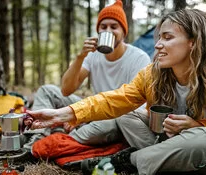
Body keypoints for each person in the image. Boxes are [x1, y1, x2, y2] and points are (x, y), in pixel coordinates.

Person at [25, 9, 206, 175]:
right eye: (159, 38)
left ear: (193, 42)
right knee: (126, 114)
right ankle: (155, 162)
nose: (157, 45)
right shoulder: (154, 75)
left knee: (203, 138)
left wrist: (200, 125)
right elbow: (115, 99)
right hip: (171, 149)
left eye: (167, 38)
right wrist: (62, 114)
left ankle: (124, 163)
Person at [22, 0, 151, 150]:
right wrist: (80, 57)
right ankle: (37, 137)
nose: (108, 31)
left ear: (123, 31)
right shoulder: (93, 55)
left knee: (106, 127)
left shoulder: (139, 58)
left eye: (114, 27)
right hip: (91, 108)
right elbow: (66, 90)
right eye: (103, 27)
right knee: (47, 90)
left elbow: (137, 107)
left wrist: (76, 118)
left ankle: (61, 136)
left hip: (115, 116)